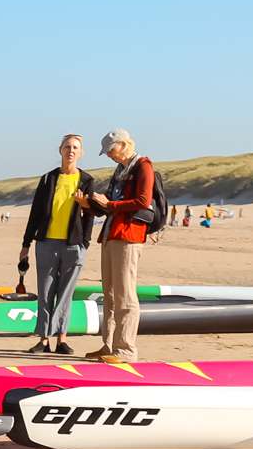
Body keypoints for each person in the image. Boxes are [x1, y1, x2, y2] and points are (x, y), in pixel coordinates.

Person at [81, 129, 156, 364]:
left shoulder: (143, 166)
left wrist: (110, 203)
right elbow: (111, 205)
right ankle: (109, 345)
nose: (109, 155)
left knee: (125, 294)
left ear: (123, 145)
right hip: (111, 234)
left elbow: (143, 201)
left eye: (111, 150)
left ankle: (126, 349)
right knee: (110, 294)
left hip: (129, 236)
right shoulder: (120, 170)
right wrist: (91, 203)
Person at [18, 133, 93, 354]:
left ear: (81, 153)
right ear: (60, 150)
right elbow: (35, 213)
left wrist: (85, 243)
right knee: (45, 293)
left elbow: (90, 214)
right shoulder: (48, 179)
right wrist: (26, 244)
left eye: (75, 148)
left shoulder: (87, 181)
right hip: (46, 244)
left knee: (65, 294)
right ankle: (43, 340)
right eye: (67, 147)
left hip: (73, 245)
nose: (71, 151)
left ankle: (61, 339)